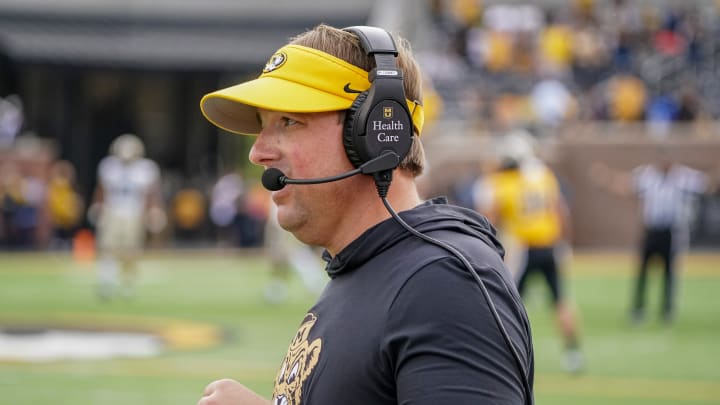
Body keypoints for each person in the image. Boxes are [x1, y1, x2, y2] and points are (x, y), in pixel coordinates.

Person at [197, 24, 534, 405]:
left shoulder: (443, 283)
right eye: (262, 126)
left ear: (375, 133)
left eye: (288, 122)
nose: (257, 153)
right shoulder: (370, 268)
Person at [474, 130, 584, 374]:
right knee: (561, 301)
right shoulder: (544, 176)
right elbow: (560, 211)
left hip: (523, 250)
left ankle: (505, 354)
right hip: (550, 245)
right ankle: (573, 354)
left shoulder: (503, 183)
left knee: (506, 305)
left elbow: (489, 219)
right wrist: (565, 242)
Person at [589, 147, 714, 324]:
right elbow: (626, 184)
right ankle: (638, 309)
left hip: (671, 230)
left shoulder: (683, 176)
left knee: (669, 273)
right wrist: (606, 177)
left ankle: (667, 311)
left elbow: (707, 184)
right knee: (643, 271)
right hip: (652, 229)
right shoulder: (648, 175)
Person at [90, 133, 164, 299]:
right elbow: (102, 189)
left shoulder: (146, 168)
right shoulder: (109, 166)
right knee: (107, 248)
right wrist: (97, 206)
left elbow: (152, 193)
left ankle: (128, 285)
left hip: (134, 213)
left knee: (131, 252)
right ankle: (107, 283)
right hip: (112, 211)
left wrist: (154, 210)